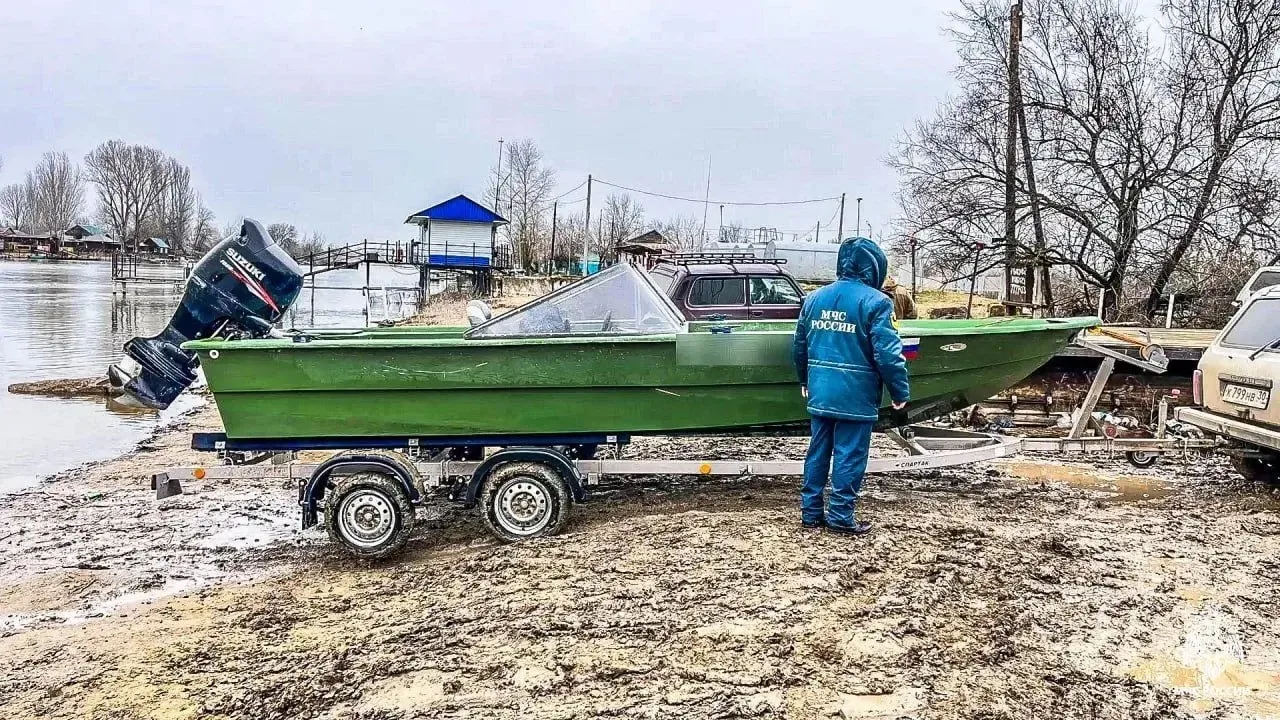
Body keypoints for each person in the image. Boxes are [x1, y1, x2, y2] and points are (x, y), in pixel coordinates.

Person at [792, 237, 910, 535]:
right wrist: (899, 392)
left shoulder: (814, 299)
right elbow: (888, 355)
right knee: (849, 455)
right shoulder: (877, 302)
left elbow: (800, 345)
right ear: (875, 267)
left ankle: (810, 513)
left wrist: (804, 379)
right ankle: (841, 517)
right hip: (856, 394)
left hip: (820, 390)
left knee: (818, 452)